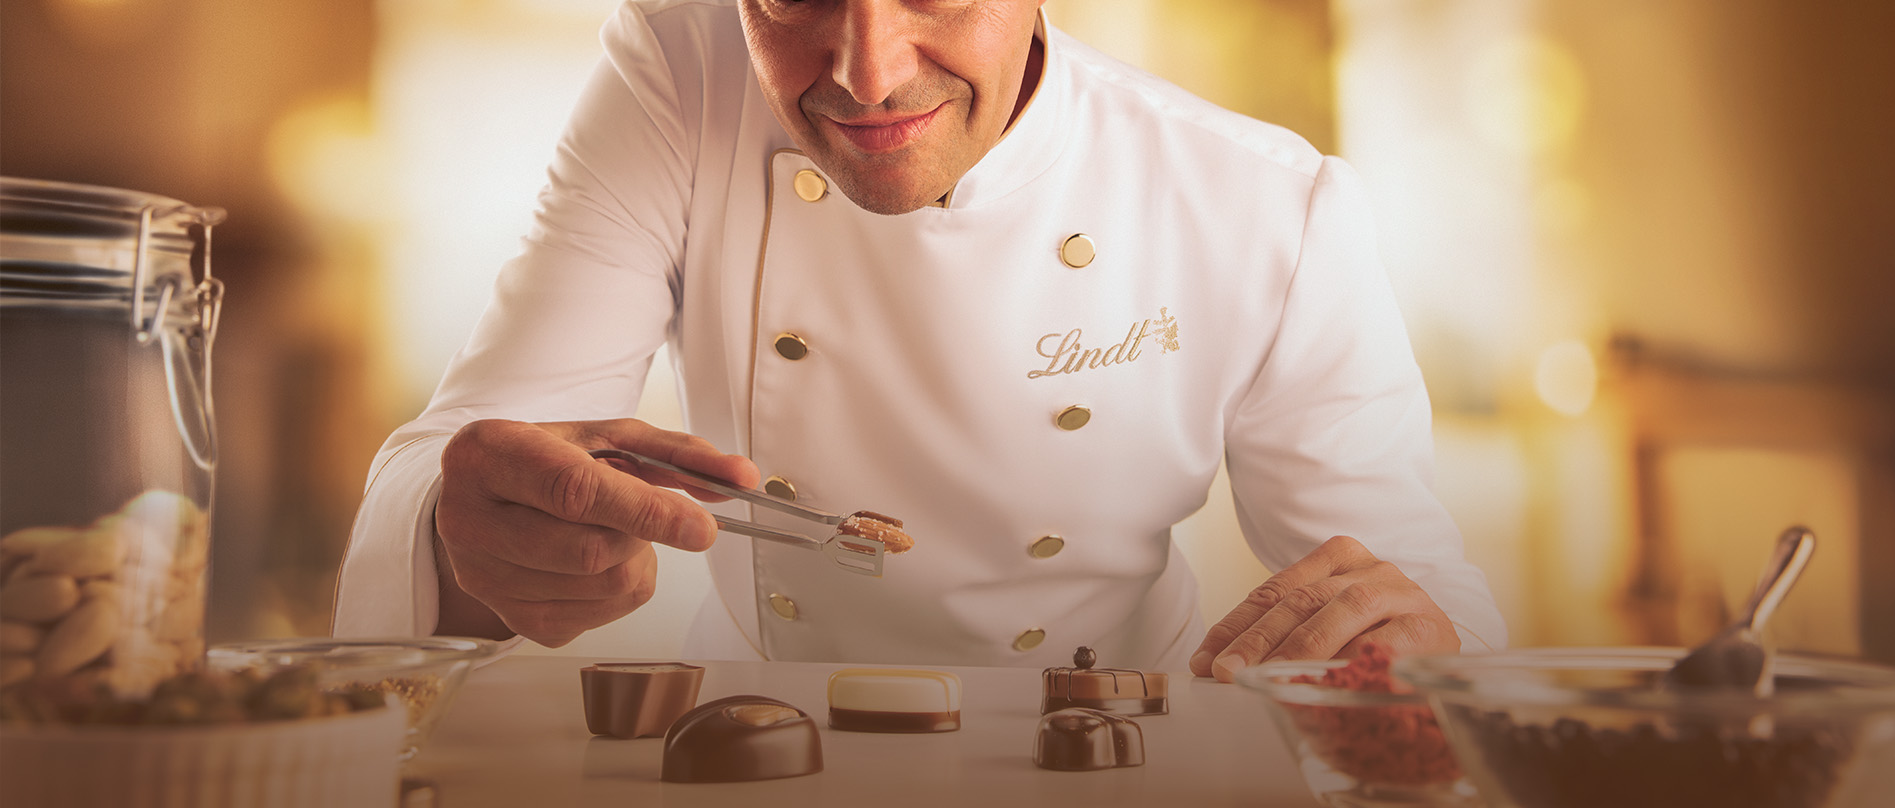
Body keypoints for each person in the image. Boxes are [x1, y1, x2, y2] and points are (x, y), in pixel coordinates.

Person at [334, 0, 1507, 680]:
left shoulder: (1264, 202)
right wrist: (466, 532)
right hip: (758, 751)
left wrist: (1420, 638)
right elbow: (460, 462)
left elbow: (1422, 592)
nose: (867, 74)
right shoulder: (679, 73)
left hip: (1114, 757)